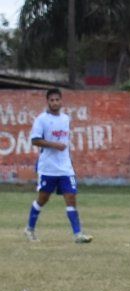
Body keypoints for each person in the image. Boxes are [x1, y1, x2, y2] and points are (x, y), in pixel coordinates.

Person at [24, 88, 93, 243]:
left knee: (71, 198)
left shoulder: (66, 119)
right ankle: (29, 229)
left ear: (61, 101)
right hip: (48, 168)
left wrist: (67, 156)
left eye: (57, 100)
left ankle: (78, 234)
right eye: (52, 100)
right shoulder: (41, 119)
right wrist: (54, 145)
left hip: (66, 169)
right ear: (48, 102)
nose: (55, 103)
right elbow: (35, 140)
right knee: (43, 199)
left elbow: (66, 143)